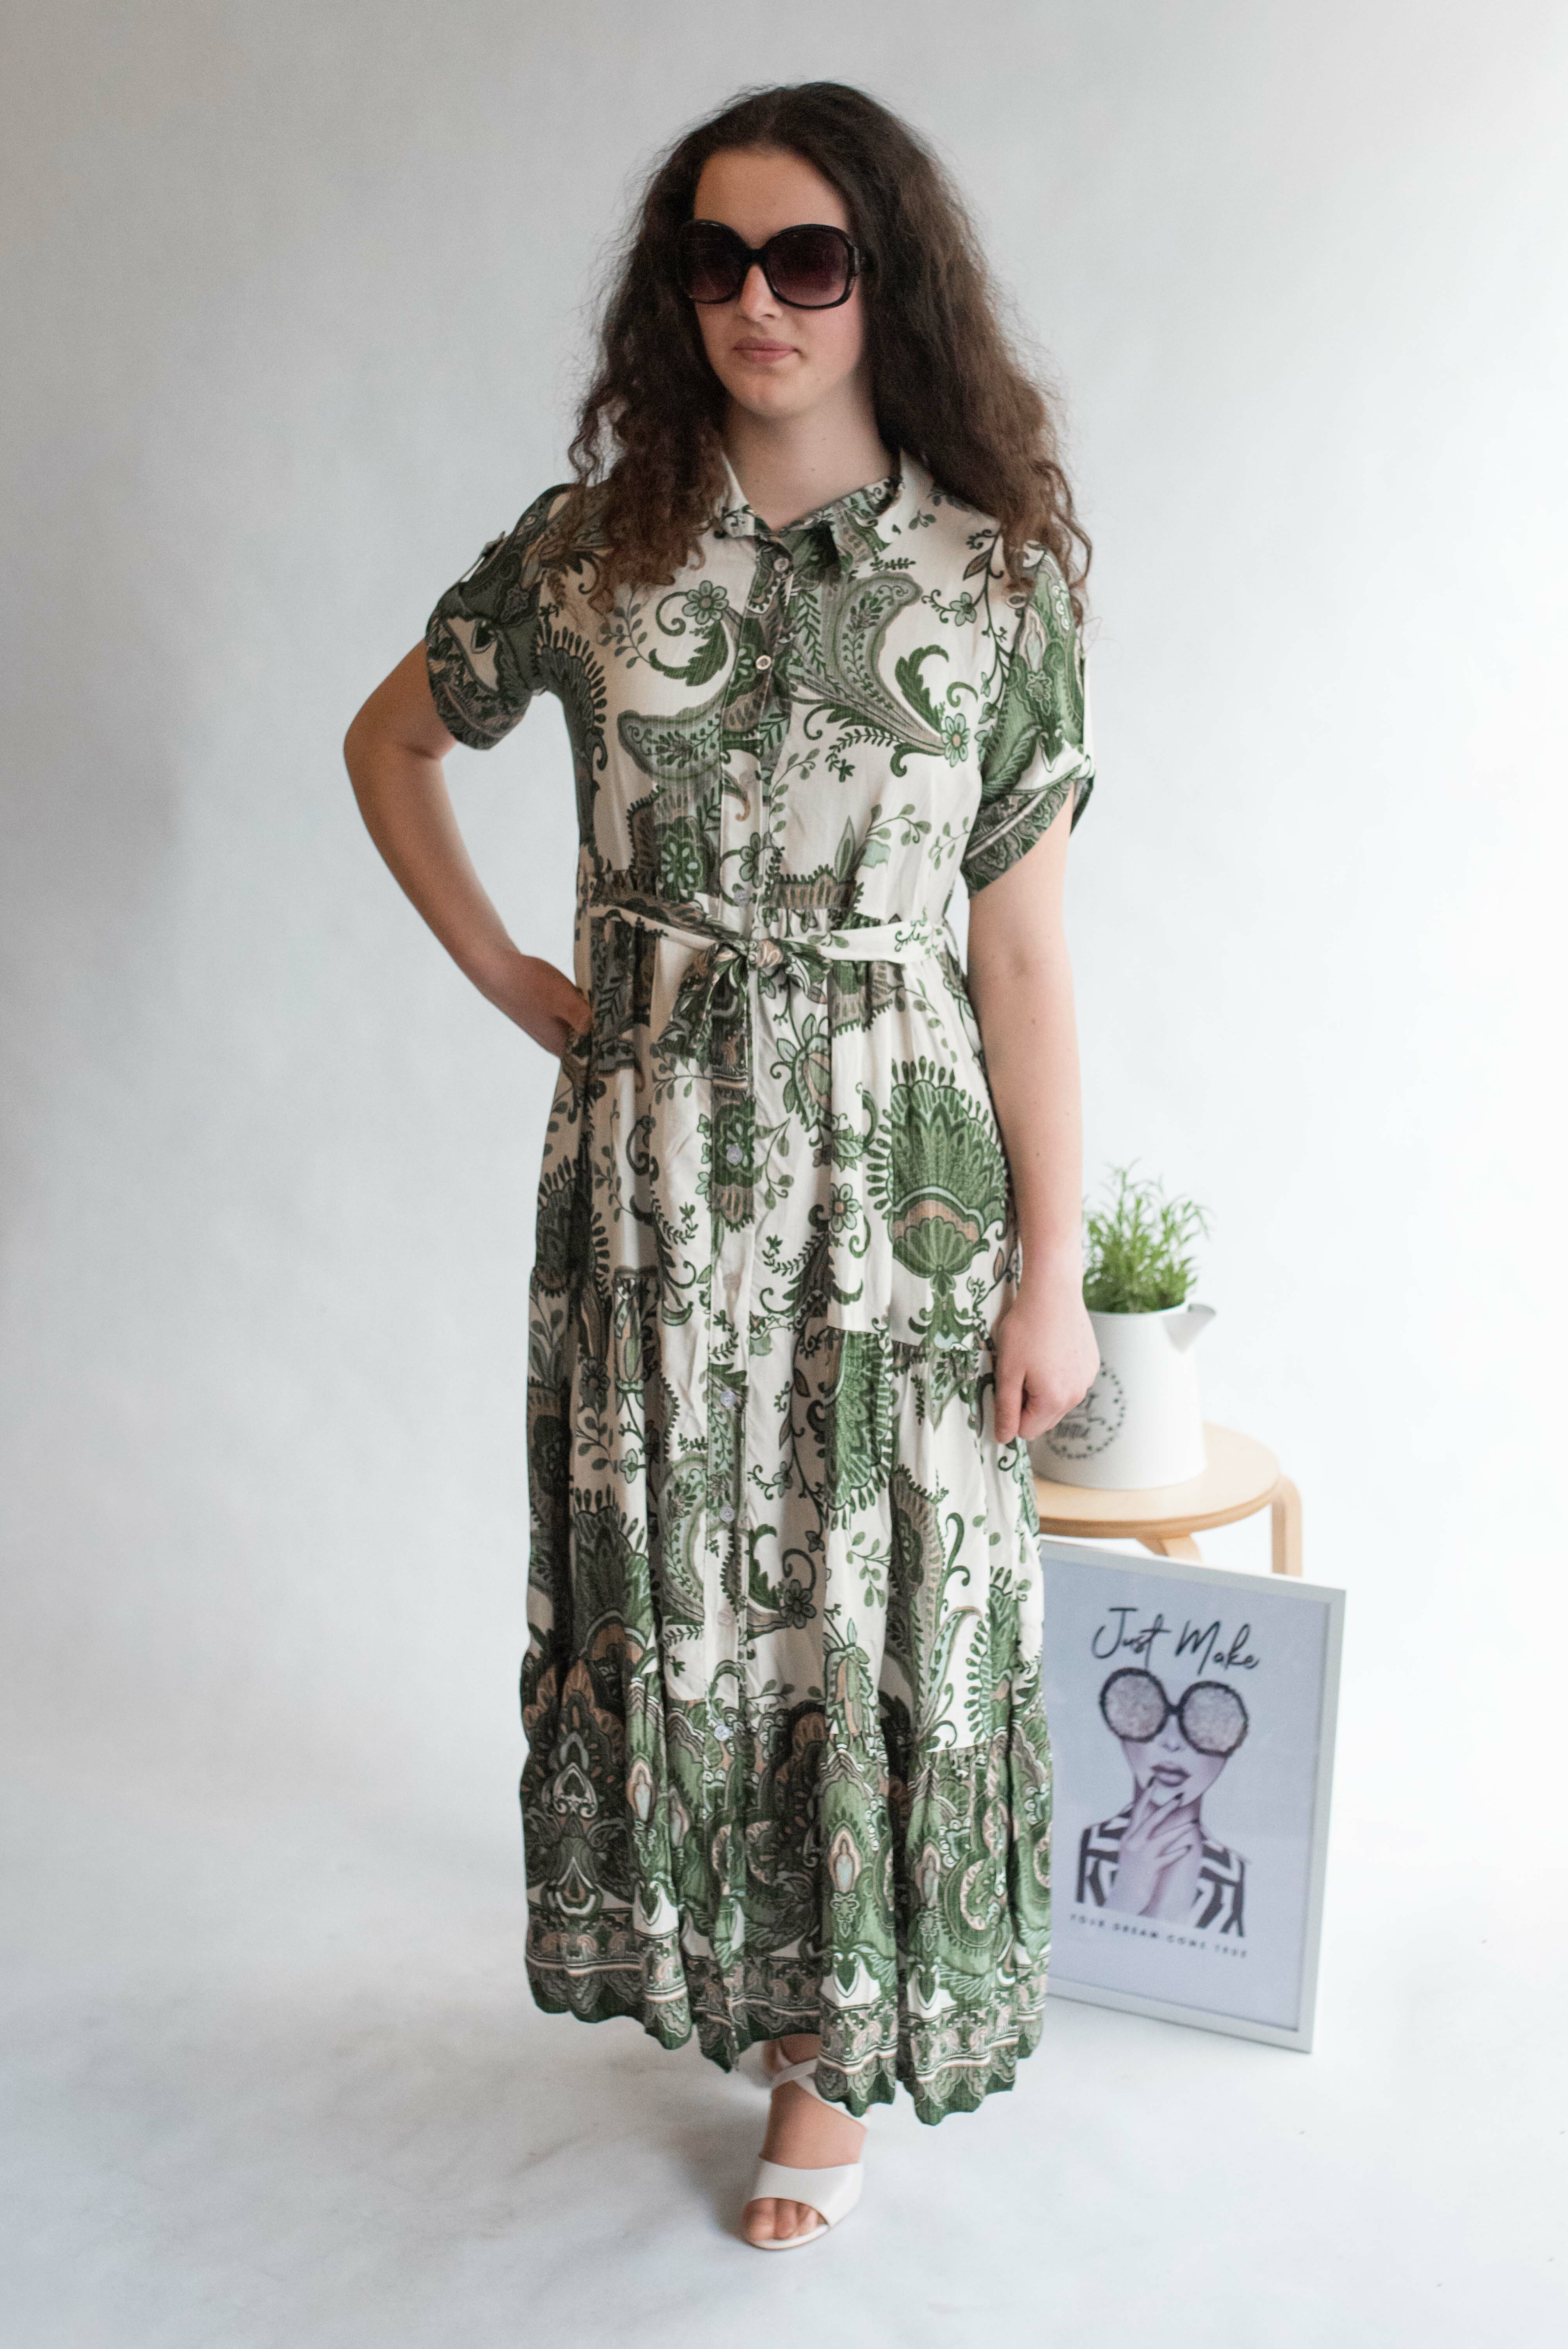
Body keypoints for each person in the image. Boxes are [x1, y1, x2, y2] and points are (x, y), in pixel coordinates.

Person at [344, 80, 1099, 2252]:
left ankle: (822, 2069)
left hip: (901, 1188)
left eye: (806, 259)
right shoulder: (592, 553)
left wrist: (1051, 1267)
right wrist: (509, 966)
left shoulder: (990, 578)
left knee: (870, 1601)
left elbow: (1019, 949)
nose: (756, 299)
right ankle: (728, 1976)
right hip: (657, 1177)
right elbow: (391, 739)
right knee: (691, 1595)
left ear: (884, 285)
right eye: (713, 258)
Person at [1077, 1668, 1249, 1934]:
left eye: (1207, 1721)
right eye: (1143, 1712)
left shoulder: (1239, 1874)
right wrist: (1125, 1896)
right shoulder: (1080, 1845)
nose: (1172, 1743)